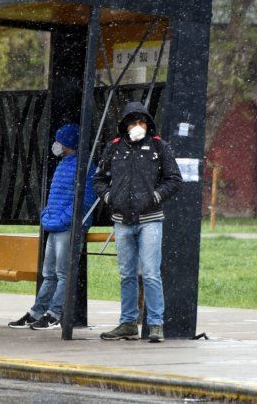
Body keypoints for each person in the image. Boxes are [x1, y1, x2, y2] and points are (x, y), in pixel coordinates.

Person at [93, 101, 182, 343]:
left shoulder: (159, 147)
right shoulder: (114, 149)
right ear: (125, 125)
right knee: (127, 275)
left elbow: (174, 180)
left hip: (150, 220)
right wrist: (110, 197)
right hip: (122, 220)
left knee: (151, 274)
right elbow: (99, 179)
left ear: (148, 123)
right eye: (132, 121)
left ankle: (155, 324)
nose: (137, 126)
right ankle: (128, 323)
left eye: (141, 121)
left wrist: (154, 197)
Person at [8, 123, 97, 330]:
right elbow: (56, 196)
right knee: (49, 274)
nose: (56, 145)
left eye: (59, 141)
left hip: (67, 227)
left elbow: (85, 200)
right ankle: (37, 312)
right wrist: (48, 215)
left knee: (63, 273)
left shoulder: (85, 167)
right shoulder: (64, 163)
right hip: (57, 225)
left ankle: (54, 314)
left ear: (68, 143)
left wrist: (64, 219)